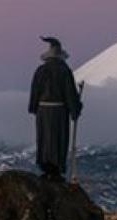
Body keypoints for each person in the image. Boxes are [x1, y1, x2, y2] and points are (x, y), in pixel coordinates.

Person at [28, 36, 83, 181]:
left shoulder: (40, 71)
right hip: (59, 111)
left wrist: (34, 107)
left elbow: (35, 91)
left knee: (44, 139)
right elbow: (70, 92)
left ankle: (46, 167)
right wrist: (75, 108)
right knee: (58, 139)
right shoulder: (64, 71)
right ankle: (56, 169)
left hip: (43, 111)